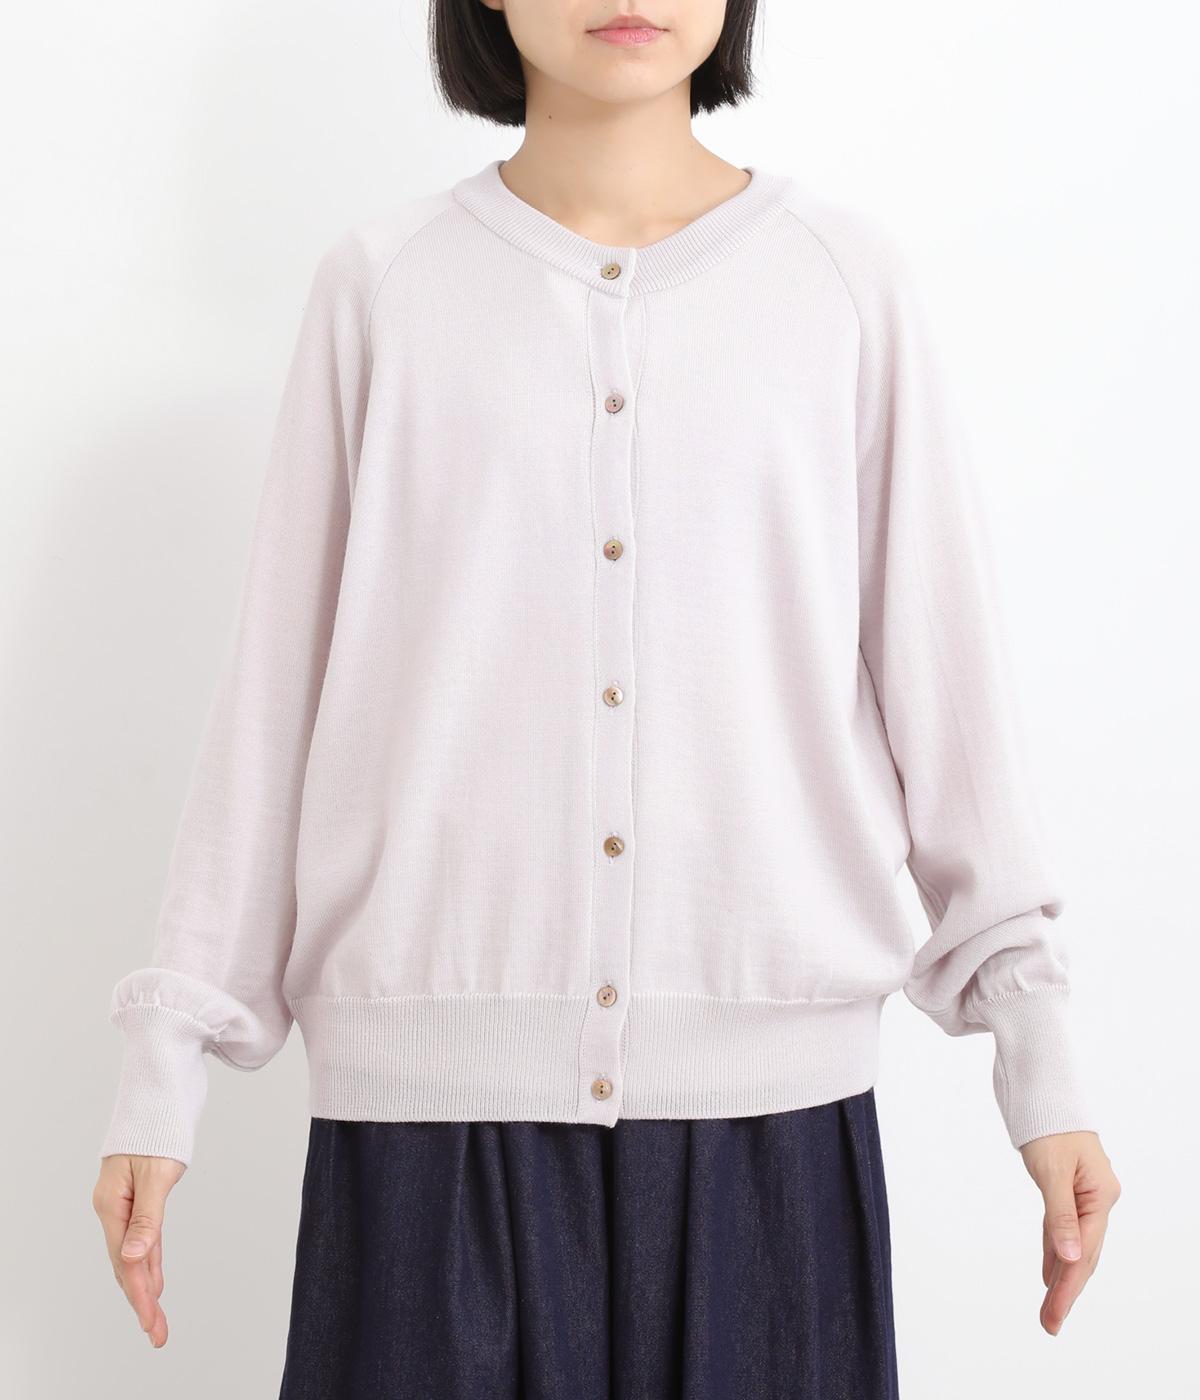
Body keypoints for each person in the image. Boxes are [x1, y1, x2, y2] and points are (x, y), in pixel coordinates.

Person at [91, 2, 1121, 1395]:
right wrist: (167, 1061)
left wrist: (1039, 1062)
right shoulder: (386, 288)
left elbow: (950, 696)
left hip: (773, 1139)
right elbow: (272, 700)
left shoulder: (841, 286)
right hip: (428, 1132)